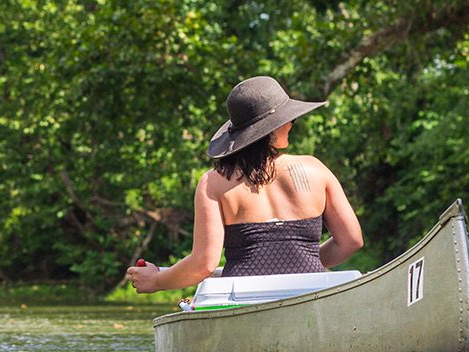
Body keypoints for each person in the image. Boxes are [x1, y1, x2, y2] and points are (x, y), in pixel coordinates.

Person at [127, 76, 363, 293]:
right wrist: (299, 262)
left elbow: (204, 264)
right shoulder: (315, 169)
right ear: (271, 128)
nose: (292, 122)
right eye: (287, 118)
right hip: (310, 293)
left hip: (244, 298)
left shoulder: (214, 183)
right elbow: (350, 241)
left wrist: (156, 281)